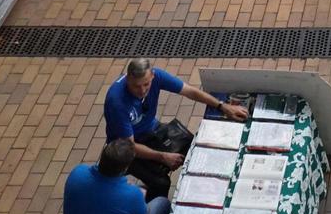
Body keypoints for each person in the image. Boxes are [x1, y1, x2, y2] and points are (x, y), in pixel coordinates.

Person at [104, 58, 248, 201]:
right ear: (127, 78)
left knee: (195, 149)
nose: (142, 90)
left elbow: (189, 91)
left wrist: (222, 106)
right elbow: (130, 147)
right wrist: (162, 156)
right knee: (161, 183)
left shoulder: (157, 76)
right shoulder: (117, 103)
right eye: (136, 86)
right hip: (124, 148)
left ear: (152, 76)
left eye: (146, 84)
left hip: (151, 130)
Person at [63, 140, 168, 214]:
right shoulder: (131, 195)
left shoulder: (77, 172)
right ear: (125, 169)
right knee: (162, 202)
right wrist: (139, 196)